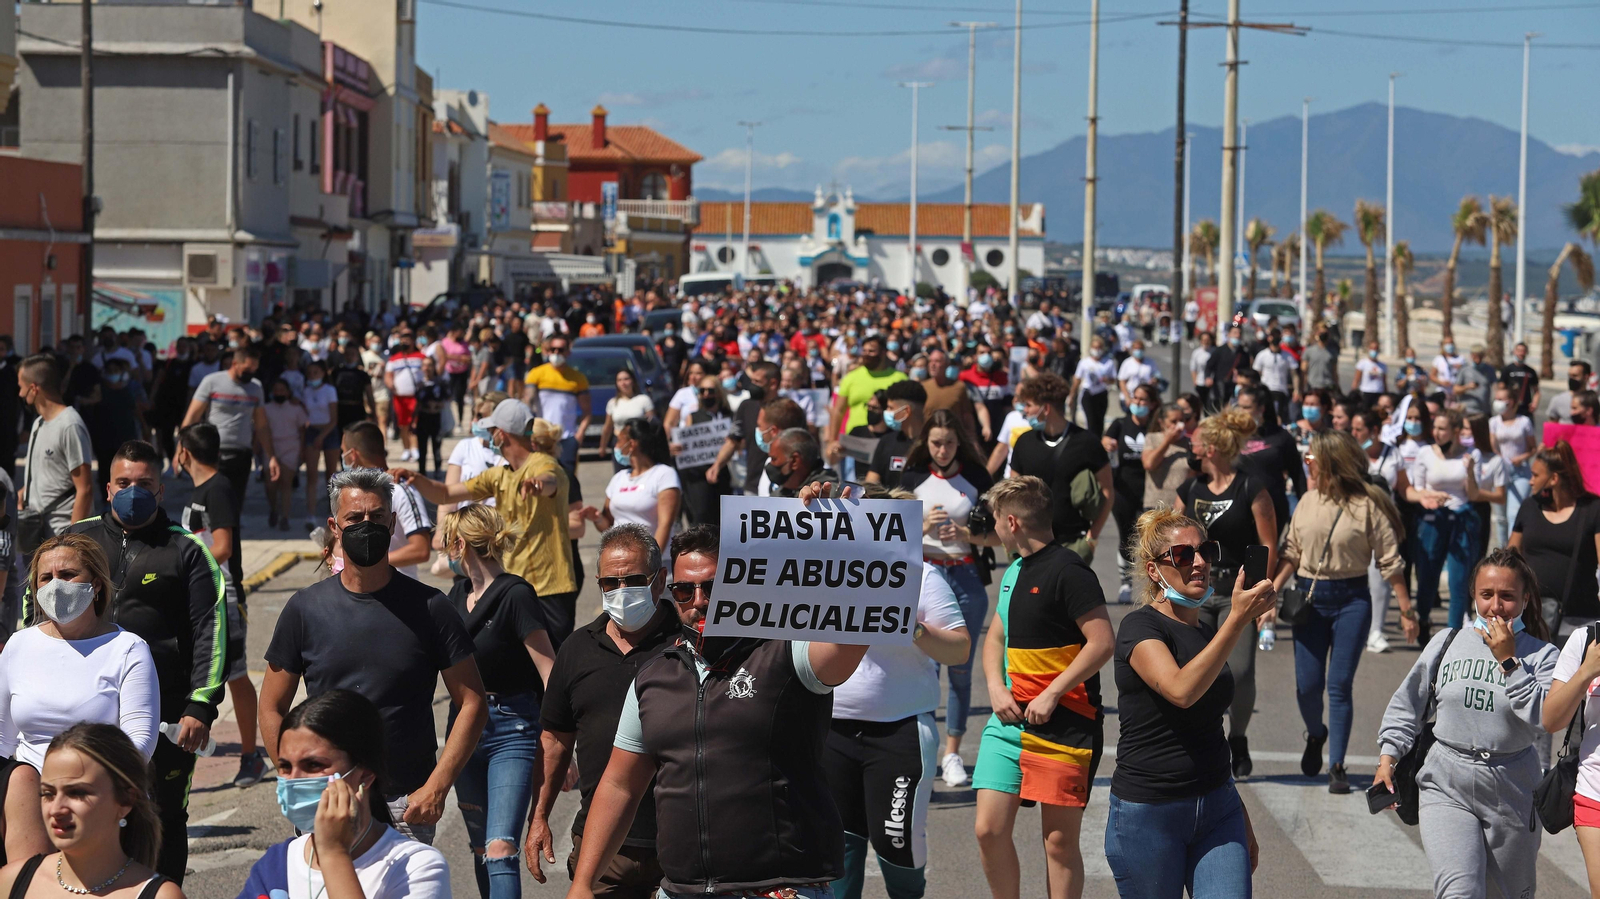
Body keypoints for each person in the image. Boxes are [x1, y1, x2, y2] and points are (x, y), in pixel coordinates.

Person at [562, 522, 870, 899]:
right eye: (684, 590)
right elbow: (619, 786)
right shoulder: (652, 678)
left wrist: (833, 527)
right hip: (682, 891)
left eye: (713, 587)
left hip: (779, 890)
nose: (699, 601)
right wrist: (583, 883)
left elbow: (857, 627)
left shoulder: (788, 654)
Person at [259, 467, 489, 846]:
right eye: (354, 518)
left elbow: (473, 701)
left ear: (392, 522)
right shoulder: (305, 609)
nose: (367, 526)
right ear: (335, 527)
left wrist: (437, 786)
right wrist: (294, 778)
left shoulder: (430, 607)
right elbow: (271, 706)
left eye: (377, 516)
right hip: (326, 803)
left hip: (406, 807)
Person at [47, 440, 226, 882]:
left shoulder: (186, 550)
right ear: (108, 488)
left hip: (164, 715)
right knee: (82, 811)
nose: (133, 491)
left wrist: (200, 705)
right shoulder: (78, 541)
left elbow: (211, 631)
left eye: (144, 483)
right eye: (123, 482)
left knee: (161, 815)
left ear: (160, 491)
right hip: (83, 709)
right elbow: (39, 608)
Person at [1103, 507, 1274, 898]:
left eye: (1205, 551)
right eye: (1182, 555)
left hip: (1217, 807)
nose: (1199, 563)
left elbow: (1210, 729)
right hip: (1150, 813)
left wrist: (1237, 808)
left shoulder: (1208, 633)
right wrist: (1237, 620)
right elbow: (1180, 691)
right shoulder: (1139, 627)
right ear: (1154, 571)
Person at [1375, 549, 1556, 899]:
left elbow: (1542, 719)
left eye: (1507, 597)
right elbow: (1408, 704)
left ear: (1525, 600)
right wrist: (1388, 759)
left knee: (1506, 894)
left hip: (1512, 786)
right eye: (1486, 595)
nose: (1496, 607)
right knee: (1459, 892)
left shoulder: (1544, 656)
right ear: (1473, 594)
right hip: (1446, 782)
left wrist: (1509, 660)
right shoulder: (1448, 641)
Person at [970, 477, 1113, 899]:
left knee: (1058, 844)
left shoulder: (1070, 571)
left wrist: (1052, 693)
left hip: (1067, 725)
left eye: (996, 520)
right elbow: (995, 638)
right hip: (1008, 723)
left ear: (1012, 523)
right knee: (988, 830)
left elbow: (1102, 642)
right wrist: (995, 686)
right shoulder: (1014, 570)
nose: (994, 528)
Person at [826, 489, 971, 899]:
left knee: (897, 846)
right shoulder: (825, 574)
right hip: (831, 731)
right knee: (837, 851)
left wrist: (913, 627)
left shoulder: (923, 577)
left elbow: (959, 649)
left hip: (900, 732)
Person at [527, 525, 679, 898]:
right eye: (610, 583)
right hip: (602, 851)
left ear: (659, 581)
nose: (621, 591)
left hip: (680, 847)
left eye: (634, 580)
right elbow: (555, 740)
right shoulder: (577, 649)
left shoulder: (686, 644)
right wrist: (540, 816)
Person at [0, 533, 158, 867]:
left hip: (99, 795)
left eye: (68, 575)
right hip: (26, 800)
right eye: (46, 577)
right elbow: (2, 738)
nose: (56, 585)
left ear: (96, 584)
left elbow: (140, 741)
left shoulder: (128, 649)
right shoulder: (18, 645)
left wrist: (83, 783)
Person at [1273, 430, 1415, 793]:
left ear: (1330, 463)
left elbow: (1390, 560)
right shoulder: (1307, 501)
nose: (1307, 464)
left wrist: (1406, 608)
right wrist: (1271, 592)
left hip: (1352, 600)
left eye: (1311, 459)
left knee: (1338, 685)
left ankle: (1337, 764)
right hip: (1309, 600)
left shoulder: (1366, 506)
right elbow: (1291, 552)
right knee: (1307, 687)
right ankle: (1316, 734)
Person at [440, 505, 556, 899]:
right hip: (463, 729)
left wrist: (560, 743)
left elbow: (550, 672)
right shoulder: (457, 595)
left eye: (448, 541)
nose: (445, 550)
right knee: (480, 849)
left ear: (460, 544)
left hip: (512, 729)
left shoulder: (516, 595)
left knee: (500, 848)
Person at [242, 691, 450, 899]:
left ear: (365, 774)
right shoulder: (276, 865)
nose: (294, 780)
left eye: (313, 765)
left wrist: (334, 853)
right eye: (285, 767)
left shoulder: (417, 868)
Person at [396, 407, 579, 643]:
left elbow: (550, 479)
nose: (490, 438)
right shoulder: (498, 475)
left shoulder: (545, 463)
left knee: (554, 661)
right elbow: (446, 494)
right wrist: (416, 479)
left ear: (502, 434)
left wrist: (538, 484)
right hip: (513, 587)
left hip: (550, 588)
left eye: (492, 431)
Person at [1175, 407, 1277, 778]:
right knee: (1196, 667)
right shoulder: (1190, 489)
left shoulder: (1250, 487)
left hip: (1239, 590)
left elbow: (1268, 544)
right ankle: (1206, 739)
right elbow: (1171, 539)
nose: (1190, 447)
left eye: (1195, 442)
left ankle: (1239, 736)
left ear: (1212, 448)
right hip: (1196, 590)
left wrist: (1265, 595)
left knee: (1241, 671)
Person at [898, 409, 994, 788]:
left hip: (965, 573)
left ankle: (952, 753)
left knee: (959, 668)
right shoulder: (912, 478)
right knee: (923, 667)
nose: (942, 450)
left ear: (959, 443)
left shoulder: (977, 478)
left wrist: (965, 533)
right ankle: (924, 749)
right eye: (936, 443)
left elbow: (1000, 535)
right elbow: (891, 532)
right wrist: (922, 526)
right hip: (923, 576)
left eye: (949, 443)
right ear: (926, 443)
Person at [172, 424, 267, 788]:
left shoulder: (219, 488)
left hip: (223, 597)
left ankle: (251, 756)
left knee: (236, 675)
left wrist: (185, 567)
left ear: (185, 452)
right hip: (201, 595)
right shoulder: (200, 490)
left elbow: (223, 547)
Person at [0, 724, 181, 899]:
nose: (56, 809)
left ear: (126, 800)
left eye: (77, 793)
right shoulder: (11, 881)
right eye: (48, 794)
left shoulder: (160, 895)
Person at [1007, 374, 1113, 563]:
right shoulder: (1024, 442)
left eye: (1029, 405)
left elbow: (1108, 491)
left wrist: (1092, 537)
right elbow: (1012, 491)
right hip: (1029, 543)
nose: (1025, 411)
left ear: (1046, 408)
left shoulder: (1087, 443)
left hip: (1072, 544)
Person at [1404, 409, 1492, 631]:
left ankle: (1453, 633)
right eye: (1435, 427)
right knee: (1427, 576)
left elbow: (1473, 495)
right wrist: (1431, 496)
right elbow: (1417, 489)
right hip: (1433, 519)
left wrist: (1470, 472)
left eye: (1442, 429)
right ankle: (1424, 618)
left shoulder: (1471, 454)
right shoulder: (1425, 453)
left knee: (1459, 581)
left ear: (1455, 431)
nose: (1436, 432)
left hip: (1461, 520)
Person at [1510, 441, 1600, 638]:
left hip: (1578, 618)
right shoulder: (1529, 507)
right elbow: (1511, 557)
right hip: (1531, 616)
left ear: (1554, 479)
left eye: (1535, 475)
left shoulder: (1592, 509)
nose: (1530, 481)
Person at [181, 343, 277, 518]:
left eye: (254, 369)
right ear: (235, 364)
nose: (251, 372)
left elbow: (262, 425)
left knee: (234, 505)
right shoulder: (212, 382)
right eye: (247, 369)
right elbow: (192, 417)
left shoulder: (255, 388)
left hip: (241, 454)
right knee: (211, 502)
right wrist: (180, 449)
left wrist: (271, 457)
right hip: (213, 452)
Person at [16, 355, 95, 547]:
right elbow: (49, 473)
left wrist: (71, 542)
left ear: (34, 388)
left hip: (61, 537)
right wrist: (25, 493)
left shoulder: (70, 425)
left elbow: (85, 489)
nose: (20, 394)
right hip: (36, 532)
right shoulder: (39, 423)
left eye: (21, 387)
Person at [339, 422, 433, 579]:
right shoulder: (350, 493)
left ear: (353, 454)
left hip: (397, 589)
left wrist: (370, 561)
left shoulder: (400, 490)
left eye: (343, 452)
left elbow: (421, 549)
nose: (343, 458)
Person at [588, 418, 681, 555]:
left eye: (619, 440)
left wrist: (651, 562)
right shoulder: (619, 478)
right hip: (620, 558)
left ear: (631, 444)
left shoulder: (664, 475)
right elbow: (609, 526)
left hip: (653, 559)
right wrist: (597, 518)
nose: (616, 446)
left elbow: (665, 525)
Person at [1103, 384, 1160, 604]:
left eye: (1142, 399)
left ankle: (1154, 583)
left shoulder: (1156, 426)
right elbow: (1104, 442)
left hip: (1151, 491)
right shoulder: (1120, 424)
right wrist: (1106, 443)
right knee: (1126, 536)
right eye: (1135, 398)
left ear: (1152, 404)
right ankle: (1126, 583)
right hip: (1123, 490)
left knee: (1151, 539)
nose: (1137, 403)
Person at [828, 335, 907, 458]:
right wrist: (832, 440)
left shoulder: (900, 379)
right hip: (855, 443)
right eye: (864, 351)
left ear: (883, 353)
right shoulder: (851, 378)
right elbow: (838, 411)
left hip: (890, 442)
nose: (866, 354)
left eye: (871, 351)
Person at [523, 335, 592, 471]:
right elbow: (527, 402)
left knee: (567, 478)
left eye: (560, 350)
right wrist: (529, 431)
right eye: (552, 349)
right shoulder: (536, 374)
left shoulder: (578, 378)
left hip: (567, 438)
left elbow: (587, 410)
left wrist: (579, 435)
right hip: (542, 437)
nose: (556, 353)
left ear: (568, 352)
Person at [673, 376, 731, 527]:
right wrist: (677, 447)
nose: (706, 394)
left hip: (723, 473)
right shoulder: (693, 417)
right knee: (701, 517)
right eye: (702, 391)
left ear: (718, 393)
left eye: (710, 390)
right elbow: (686, 444)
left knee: (723, 518)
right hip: (698, 476)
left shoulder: (728, 416)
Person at [262, 378, 308, 532]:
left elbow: (302, 431)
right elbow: (261, 430)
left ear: (288, 392)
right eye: (276, 390)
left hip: (290, 448)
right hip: (270, 448)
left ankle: (285, 517)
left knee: (286, 484)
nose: (279, 393)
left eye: (282, 390)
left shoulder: (296, 409)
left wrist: (302, 450)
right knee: (270, 484)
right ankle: (273, 509)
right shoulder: (265, 409)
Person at [300, 359, 341, 531]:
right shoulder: (305, 391)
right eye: (310, 373)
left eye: (315, 372)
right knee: (311, 475)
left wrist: (322, 436)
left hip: (329, 431)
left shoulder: (330, 390)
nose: (312, 376)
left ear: (323, 374)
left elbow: (334, 418)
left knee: (331, 475)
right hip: (312, 431)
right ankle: (310, 514)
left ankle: (334, 512)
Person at [920, 348, 989, 448]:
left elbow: (966, 415)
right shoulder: (922, 387)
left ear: (946, 364)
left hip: (953, 443)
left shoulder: (959, 387)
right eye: (930, 361)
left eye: (937, 361)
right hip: (928, 442)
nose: (932, 364)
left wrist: (973, 439)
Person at [865, 380, 926, 491]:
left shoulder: (931, 445)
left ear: (906, 411)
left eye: (890, 408)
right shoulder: (886, 441)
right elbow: (871, 484)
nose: (886, 412)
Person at [600, 370, 656, 468]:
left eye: (626, 379)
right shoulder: (613, 403)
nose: (623, 383)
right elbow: (608, 427)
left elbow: (652, 424)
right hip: (620, 443)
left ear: (632, 381)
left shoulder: (643, 400)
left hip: (640, 444)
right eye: (619, 380)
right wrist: (602, 446)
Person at [1069, 337, 1116, 435]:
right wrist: (1072, 395)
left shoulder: (1108, 363)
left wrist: (1106, 380)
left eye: (1099, 348)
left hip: (1101, 394)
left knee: (1100, 421)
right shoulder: (1084, 362)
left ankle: (1098, 440)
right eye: (1095, 347)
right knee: (1090, 421)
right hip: (1088, 394)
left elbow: (1113, 380)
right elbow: (1077, 379)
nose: (1097, 350)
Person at [412, 358, 450, 477]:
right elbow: (416, 403)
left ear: (434, 367)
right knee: (422, 448)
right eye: (424, 365)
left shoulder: (440, 383)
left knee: (436, 446)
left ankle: (438, 470)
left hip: (436, 418)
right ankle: (422, 471)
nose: (427, 368)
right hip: (423, 418)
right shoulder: (419, 384)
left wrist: (436, 405)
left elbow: (446, 399)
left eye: (429, 365)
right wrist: (413, 421)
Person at [1499, 341, 1540, 416]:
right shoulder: (1507, 369)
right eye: (1519, 351)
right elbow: (1501, 388)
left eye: (1523, 351)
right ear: (1514, 352)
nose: (1521, 353)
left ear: (1526, 353)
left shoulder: (1531, 371)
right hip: (1510, 407)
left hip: (1525, 408)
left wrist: (1534, 403)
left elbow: (1536, 391)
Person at [1545, 360, 1592, 425]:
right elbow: (1552, 426)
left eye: (1575, 376)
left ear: (1586, 377)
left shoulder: (1594, 401)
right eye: (1569, 376)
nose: (1571, 379)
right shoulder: (1558, 400)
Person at [1454, 345, 1496, 418]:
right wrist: (1467, 387)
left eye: (1480, 356)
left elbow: (1495, 386)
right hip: (1468, 410)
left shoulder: (1489, 369)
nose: (1477, 358)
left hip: (1484, 411)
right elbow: (1455, 390)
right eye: (1475, 356)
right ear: (1471, 355)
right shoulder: (1464, 370)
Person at [1352, 341, 1388, 408]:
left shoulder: (1383, 366)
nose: (1374, 351)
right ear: (1369, 349)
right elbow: (1356, 379)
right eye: (1372, 348)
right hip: (1366, 392)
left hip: (1378, 392)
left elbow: (1384, 381)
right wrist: (1353, 392)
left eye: (1376, 349)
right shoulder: (1362, 363)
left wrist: (1386, 393)